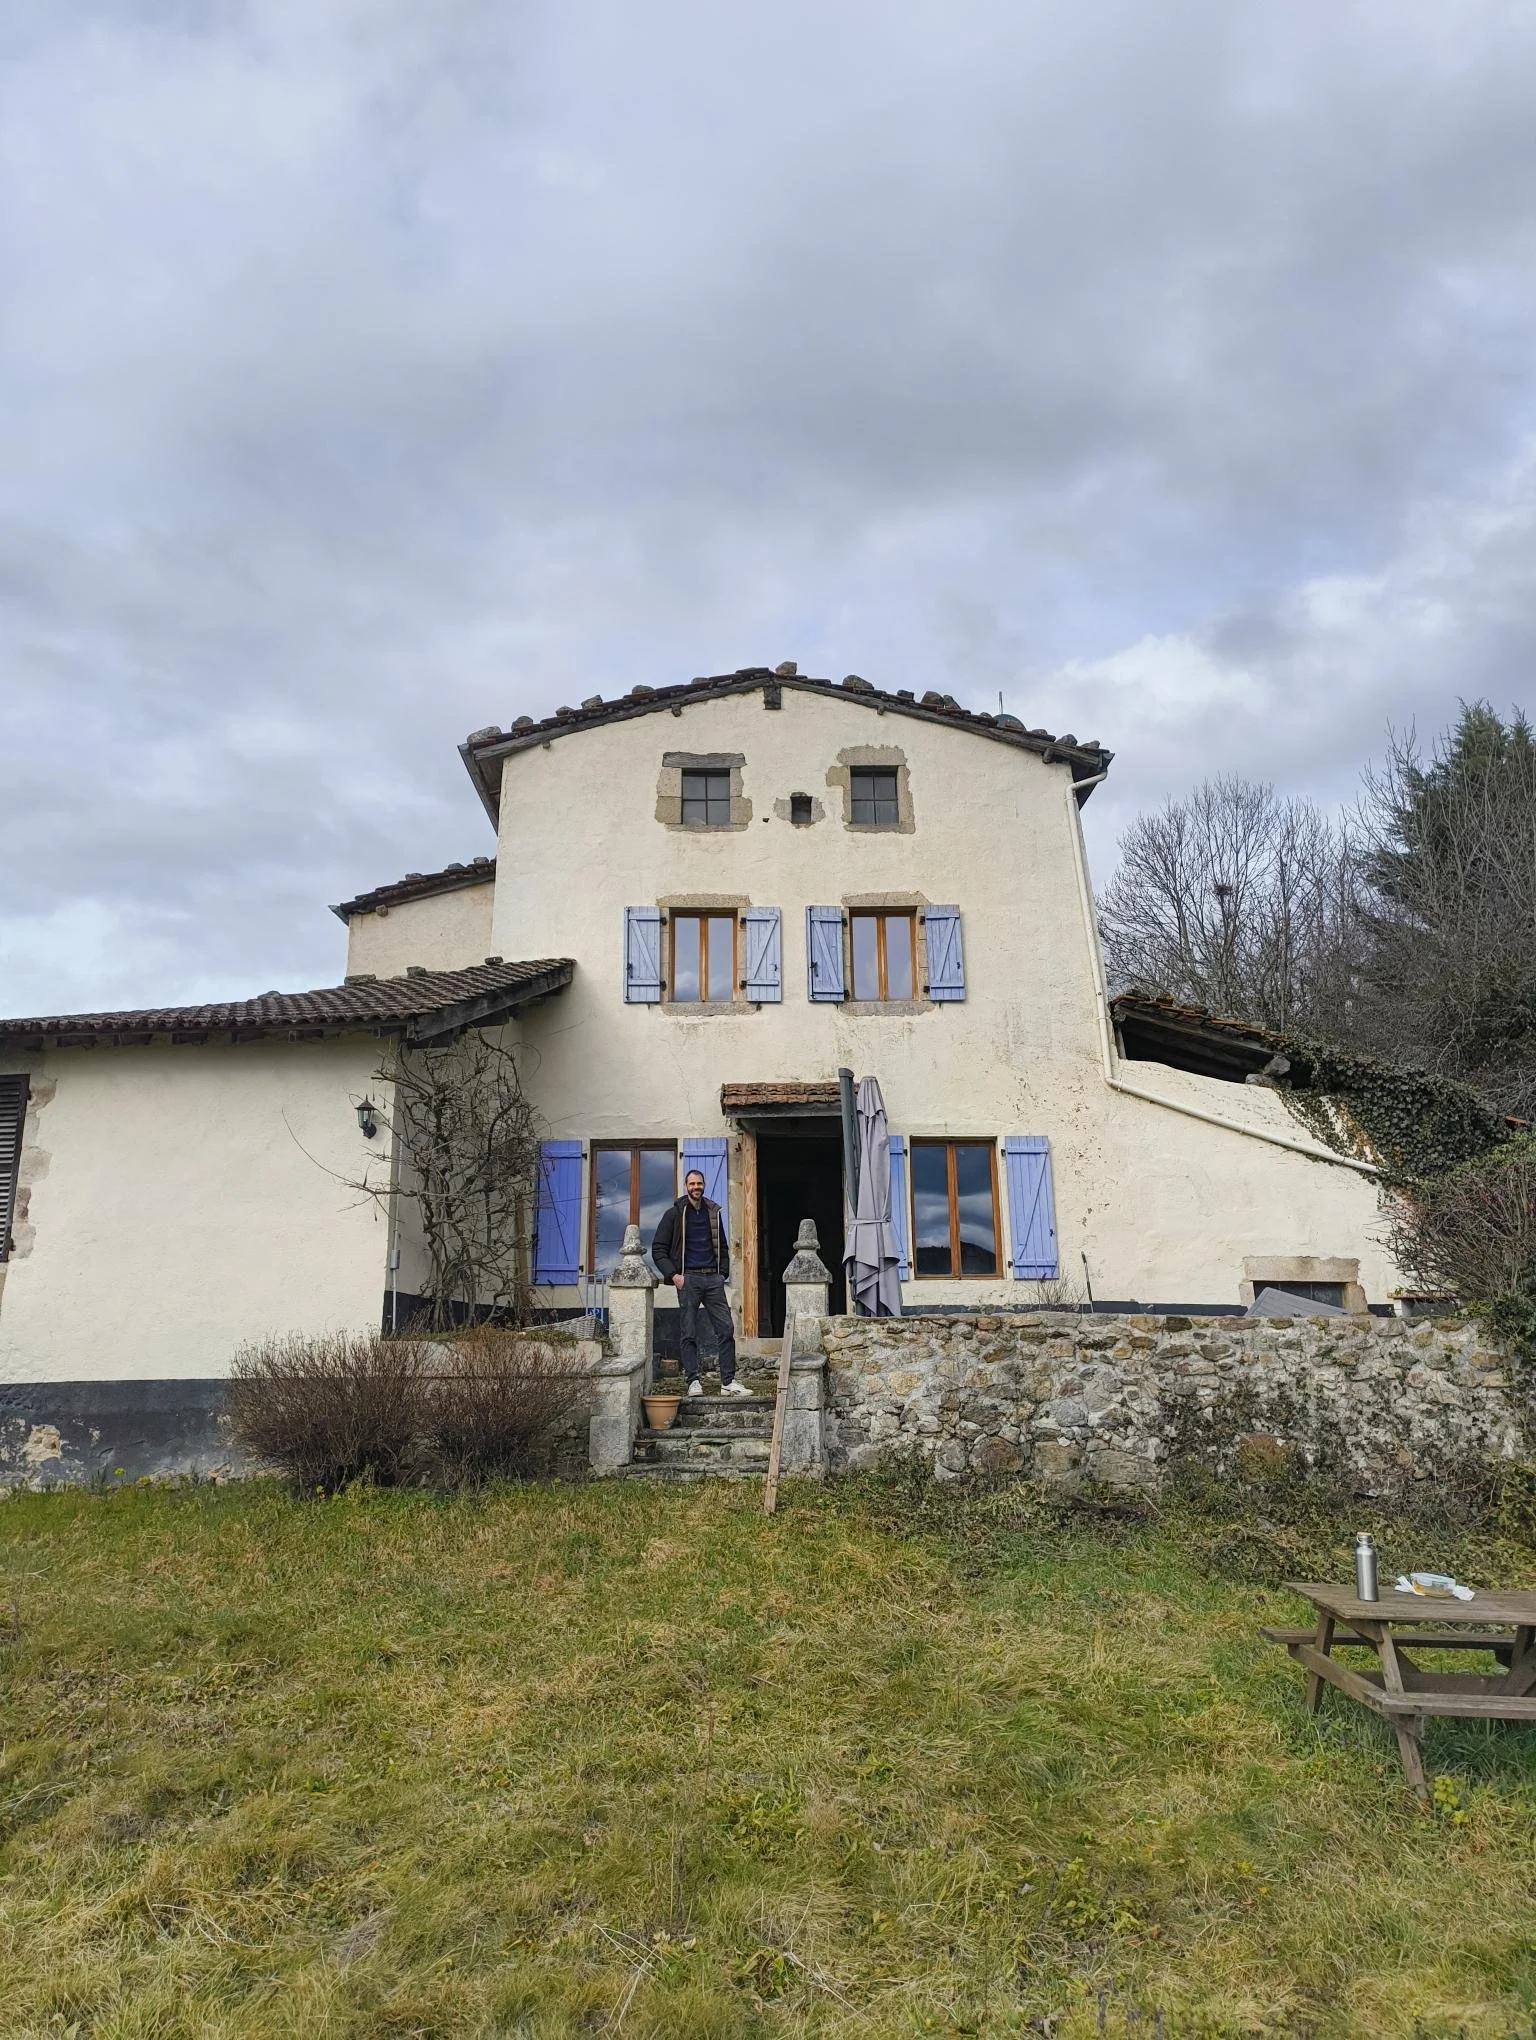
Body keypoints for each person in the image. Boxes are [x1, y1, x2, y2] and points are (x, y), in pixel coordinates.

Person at [651, 1168, 750, 1397]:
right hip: (688, 1280)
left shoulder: (713, 1213)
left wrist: (722, 1273)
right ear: (686, 1187)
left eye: (699, 1184)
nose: (696, 1187)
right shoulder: (674, 1214)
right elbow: (658, 1249)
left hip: (712, 1279)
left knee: (726, 1329)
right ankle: (693, 1381)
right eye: (692, 1184)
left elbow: (723, 1247)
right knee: (689, 1332)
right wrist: (674, 1276)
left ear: (704, 1185)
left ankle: (728, 1382)